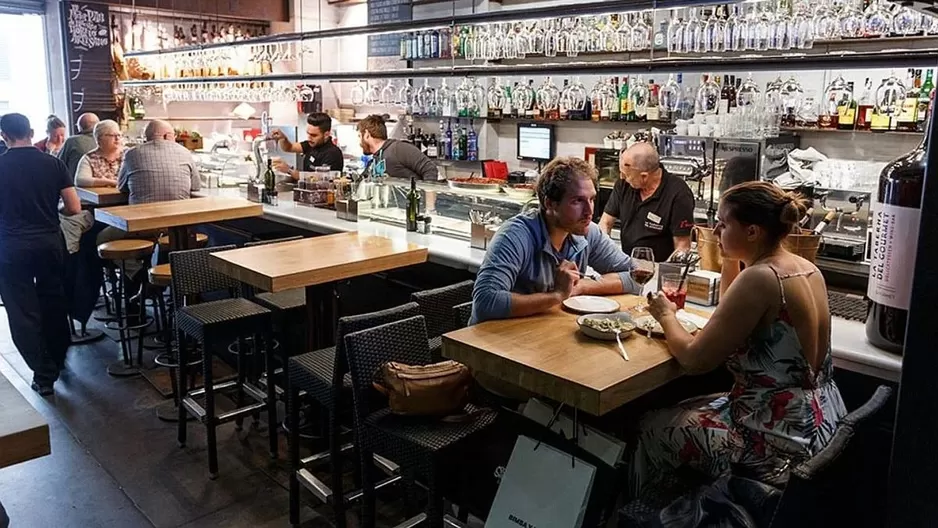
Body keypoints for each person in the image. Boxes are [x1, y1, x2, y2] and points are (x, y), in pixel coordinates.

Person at [632, 181, 846, 496]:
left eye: (723, 224)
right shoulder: (806, 268)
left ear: (752, 231)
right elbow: (733, 310)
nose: (716, 231)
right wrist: (730, 256)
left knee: (651, 425)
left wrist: (665, 314)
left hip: (773, 440)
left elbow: (694, 360)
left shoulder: (761, 278)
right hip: (819, 420)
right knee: (687, 405)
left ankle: (655, 515)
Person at [471, 156, 642, 325]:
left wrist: (583, 286)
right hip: (493, 341)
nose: (589, 211)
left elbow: (636, 276)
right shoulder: (515, 235)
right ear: (550, 204)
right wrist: (557, 295)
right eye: (577, 201)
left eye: (591, 199)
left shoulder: (587, 232)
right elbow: (486, 303)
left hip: (543, 334)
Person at [0, 113, 82, 395]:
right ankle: (58, 357)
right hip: (48, 242)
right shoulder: (53, 163)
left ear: (4, 136)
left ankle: (43, 374)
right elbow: (73, 208)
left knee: (22, 310)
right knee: (53, 301)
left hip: (10, 246)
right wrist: (53, 210)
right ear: (32, 132)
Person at [599, 142, 695, 262]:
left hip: (659, 267)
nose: (623, 178)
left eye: (627, 175)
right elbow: (605, 223)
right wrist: (602, 253)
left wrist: (663, 273)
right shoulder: (624, 185)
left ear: (644, 176)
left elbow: (682, 247)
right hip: (627, 264)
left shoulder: (678, 194)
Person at [117, 119, 200, 204]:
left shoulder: (131, 154)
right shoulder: (185, 152)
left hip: (141, 213)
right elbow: (196, 186)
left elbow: (121, 187)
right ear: (166, 136)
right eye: (173, 135)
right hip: (179, 212)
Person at [357, 114, 438, 181]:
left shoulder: (397, 149)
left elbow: (429, 168)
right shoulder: (376, 159)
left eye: (359, 136)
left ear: (367, 134)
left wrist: (428, 200)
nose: (359, 142)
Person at [269, 112, 344, 177]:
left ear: (326, 134)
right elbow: (289, 147)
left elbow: (319, 178)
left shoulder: (333, 153)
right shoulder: (311, 144)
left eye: (314, 135)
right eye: (308, 133)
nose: (309, 138)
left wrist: (289, 170)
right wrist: (283, 138)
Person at [75, 120, 122, 187]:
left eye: (119, 135)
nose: (117, 138)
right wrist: (109, 182)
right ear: (99, 138)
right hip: (102, 196)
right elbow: (80, 180)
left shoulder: (127, 155)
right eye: (112, 135)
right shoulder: (89, 158)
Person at [57, 112, 99, 179]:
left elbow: (58, 165)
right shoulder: (106, 141)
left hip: (76, 186)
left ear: (80, 127)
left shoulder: (72, 141)